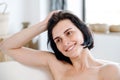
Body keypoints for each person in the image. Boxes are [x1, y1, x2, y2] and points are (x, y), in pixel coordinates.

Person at [0, 10, 120, 80]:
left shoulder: (109, 71)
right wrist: (43, 25)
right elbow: (6, 46)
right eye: (58, 40)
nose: (65, 43)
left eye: (69, 33)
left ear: (83, 31)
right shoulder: (56, 65)